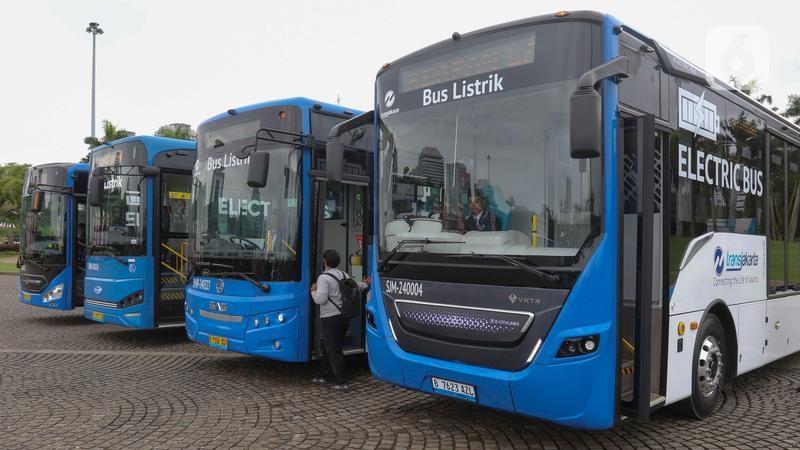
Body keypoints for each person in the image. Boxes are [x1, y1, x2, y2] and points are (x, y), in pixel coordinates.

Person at [310, 249, 370, 390]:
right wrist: (366, 283)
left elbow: (321, 299)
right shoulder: (343, 274)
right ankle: (322, 375)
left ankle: (342, 381)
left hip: (330, 318)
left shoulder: (323, 278)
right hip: (343, 317)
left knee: (334, 349)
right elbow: (357, 286)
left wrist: (313, 290)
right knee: (329, 347)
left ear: (324, 262)